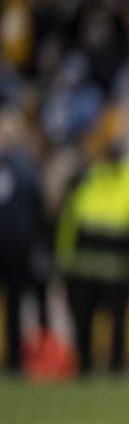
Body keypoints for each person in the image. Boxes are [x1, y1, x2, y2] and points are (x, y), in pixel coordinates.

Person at [56, 142, 129, 375]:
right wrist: (63, 259)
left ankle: (117, 366)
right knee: (83, 319)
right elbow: (69, 223)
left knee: (119, 322)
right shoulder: (88, 180)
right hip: (84, 269)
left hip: (120, 270)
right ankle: (84, 364)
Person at [0, 112, 45, 374]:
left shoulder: (24, 171)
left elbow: (34, 213)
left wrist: (35, 247)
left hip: (16, 250)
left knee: (15, 306)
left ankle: (15, 359)